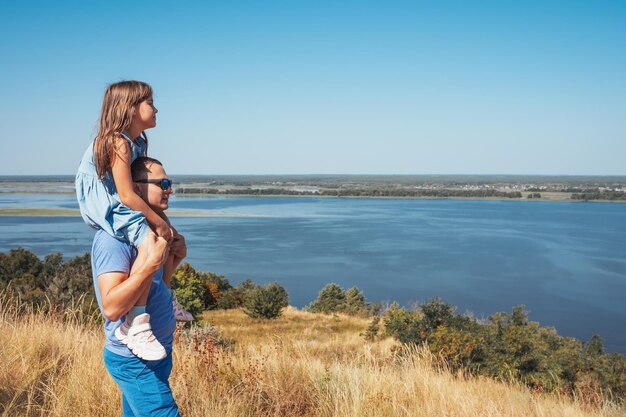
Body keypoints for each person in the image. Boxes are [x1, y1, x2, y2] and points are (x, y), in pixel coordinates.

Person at [76, 81, 192, 360]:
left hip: (122, 200)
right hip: (112, 204)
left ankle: (164, 294)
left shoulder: (137, 142)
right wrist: (158, 224)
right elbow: (128, 194)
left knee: (166, 237)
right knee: (152, 242)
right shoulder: (118, 142)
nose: (156, 109)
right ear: (129, 108)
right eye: (150, 103)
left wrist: (166, 226)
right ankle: (136, 323)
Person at [92, 156, 185, 416]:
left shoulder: (149, 233)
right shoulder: (114, 239)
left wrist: (175, 259)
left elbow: (157, 287)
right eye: (163, 183)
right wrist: (150, 263)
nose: (169, 189)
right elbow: (111, 307)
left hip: (157, 353)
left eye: (169, 182)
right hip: (134, 360)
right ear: (134, 186)